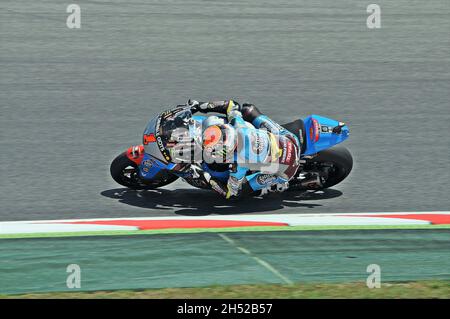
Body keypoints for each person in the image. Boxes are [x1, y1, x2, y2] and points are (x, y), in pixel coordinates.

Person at [166, 99, 303, 199]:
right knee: (248, 109)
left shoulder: (238, 165)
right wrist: (201, 106)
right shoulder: (238, 126)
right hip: (288, 138)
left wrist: (207, 178)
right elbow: (232, 105)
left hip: (286, 169)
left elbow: (231, 192)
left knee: (242, 192)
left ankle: (277, 183)